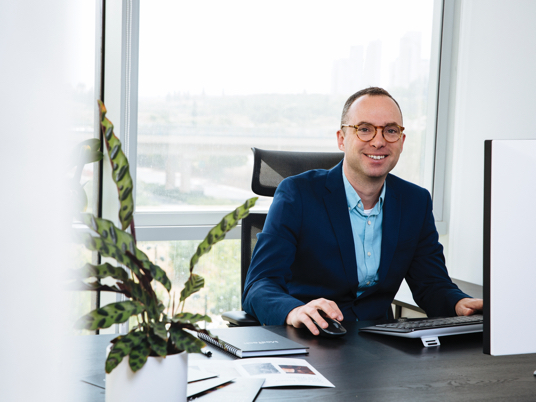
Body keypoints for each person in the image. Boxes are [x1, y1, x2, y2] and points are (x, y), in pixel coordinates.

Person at [242, 87, 483, 335]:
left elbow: (431, 285)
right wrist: (294, 311)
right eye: (364, 129)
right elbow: (259, 285)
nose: (378, 141)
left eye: (390, 130)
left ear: (401, 141)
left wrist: (458, 303)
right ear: (341, 138)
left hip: (379, 344)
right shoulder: (297, 194)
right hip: (311, 338)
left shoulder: (415, 201)